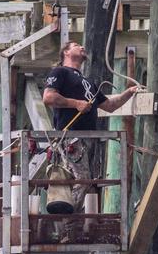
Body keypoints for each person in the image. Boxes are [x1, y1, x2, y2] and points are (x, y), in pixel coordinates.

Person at [42, 41, 140, 215]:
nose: (81, 47)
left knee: (89, 183)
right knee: (82, 180)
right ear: (65, 52)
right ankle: (68, 222)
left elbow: (110, 105)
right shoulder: (60, 72)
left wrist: (129, 92)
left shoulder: (89, 82)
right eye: (76, 45)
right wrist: (76, 103)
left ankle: (75, 222)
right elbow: (49, 97)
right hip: (70, 138)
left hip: (89, 141)